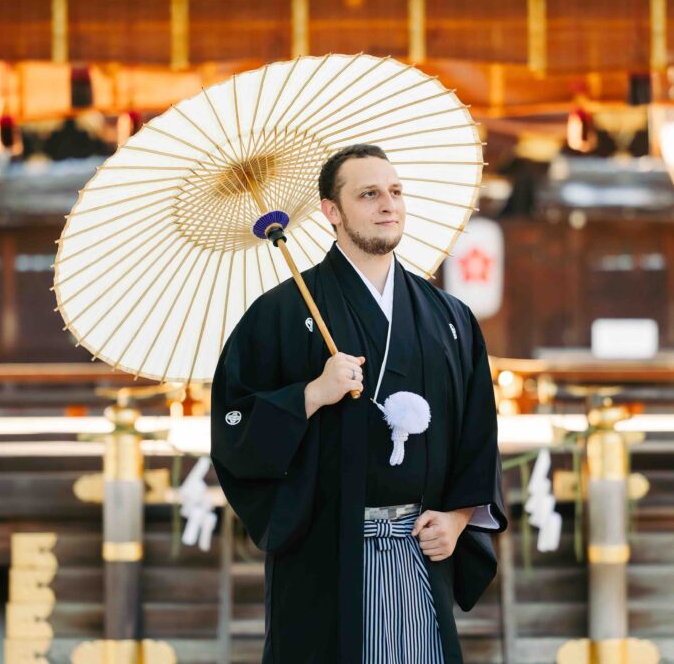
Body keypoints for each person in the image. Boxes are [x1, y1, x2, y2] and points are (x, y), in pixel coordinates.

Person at [211, 144, 507, 663]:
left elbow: (477, 430)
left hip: (419, 547)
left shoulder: (450, 318)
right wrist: (309, 395)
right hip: (326, 555)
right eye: (368, 194)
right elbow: (234, 430)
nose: (387, 204)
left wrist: (459, 516)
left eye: (395, 192)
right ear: (332, 211)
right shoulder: (279, 314)